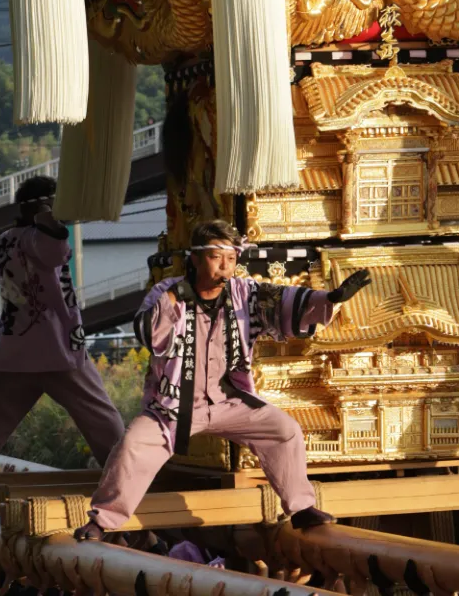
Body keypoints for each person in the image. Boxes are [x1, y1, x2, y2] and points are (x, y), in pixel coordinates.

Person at [73, 220, 372, 540]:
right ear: (197, 259)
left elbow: (288, 300)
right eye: (217, 257)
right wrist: (176, 296)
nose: (225, 266)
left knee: (285, 432)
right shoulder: (168, 291)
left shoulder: (245, 292)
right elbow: (150, 332)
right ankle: (102, 521)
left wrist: (330, 299)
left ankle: (300, 508)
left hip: (230, 397)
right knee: (133, 445)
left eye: (231, 259)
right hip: (176, 402)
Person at [0, 176, 125, 473]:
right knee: (102, 419)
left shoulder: (7, 239)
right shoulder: (38, 237)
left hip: (14, 353)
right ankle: (126, 479)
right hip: (58, 352)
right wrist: (50, 221)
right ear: (44, 206)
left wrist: (50, 223)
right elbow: (52, 249)